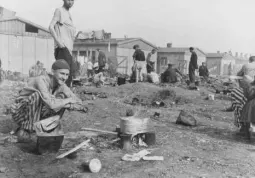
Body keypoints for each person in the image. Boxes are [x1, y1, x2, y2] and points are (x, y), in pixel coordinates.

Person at [10, 60, 85, 143]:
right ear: (53, 72)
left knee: (61, 98)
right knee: (37, 96)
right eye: (62, 73)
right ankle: (27, 130)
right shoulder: (41, 80)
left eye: (67, 75)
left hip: (36, 112)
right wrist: (68, 100)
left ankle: (48, 128)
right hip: (21, 112)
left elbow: (79, 102)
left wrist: (66, 104)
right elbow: (51, 104)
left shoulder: (62, 85)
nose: (65, 78)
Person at [49, 0, 76, 87]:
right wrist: (59, 42)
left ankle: (65, 95)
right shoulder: (59, 11)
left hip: (68, 49)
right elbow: (50, 27)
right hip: (63, 49)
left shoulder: (68, 14)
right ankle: (61, 96)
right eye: (69, 0)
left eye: (72, 0)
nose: (70, 2)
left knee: (69, 75)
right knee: (62, 75)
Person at [228, 56, 255, 131]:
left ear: (250, 60)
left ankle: (243, 126)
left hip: (248, 88)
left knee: (242, 104)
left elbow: (239, 74)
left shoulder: (246, 65)